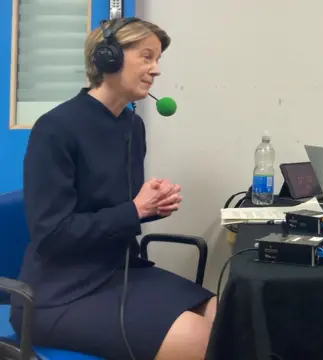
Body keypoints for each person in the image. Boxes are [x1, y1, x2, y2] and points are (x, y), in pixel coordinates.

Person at [10, 17, 216, 360]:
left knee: (224, 315)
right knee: (196, 339)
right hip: (59, 292)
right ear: (109, 58)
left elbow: (115, 210)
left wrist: (151, 205)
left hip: (118, 272)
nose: (156, 69)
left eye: (158, 59)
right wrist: (135, 210)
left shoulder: (132, 126)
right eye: (147, 57)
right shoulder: (56, 129)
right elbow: (52, 234)